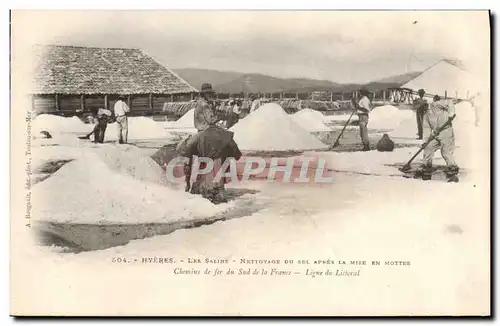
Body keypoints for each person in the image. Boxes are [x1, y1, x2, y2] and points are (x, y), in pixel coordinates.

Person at [177, 124, 242, 204]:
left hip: (203, 179)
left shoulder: (198, 136)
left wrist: (187, 183)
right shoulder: (226, 136)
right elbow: (237, 154)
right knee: (220, 204)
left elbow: (186, 151)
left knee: (201, 201)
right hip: (218, 180)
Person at [418, 95, 459, 182]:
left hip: (446, 131)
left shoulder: (435, 104)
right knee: (428, 148)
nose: (421, 110)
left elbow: (449, 102)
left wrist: (451, 113)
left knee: (446, 152)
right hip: (436, 134)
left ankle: (452, 173)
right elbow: (426, 128)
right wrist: (425, 141)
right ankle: (426, 171)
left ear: (424, 105)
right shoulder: (425, 115)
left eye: (421, 108)